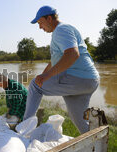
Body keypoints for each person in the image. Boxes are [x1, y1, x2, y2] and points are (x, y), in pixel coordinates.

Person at [24, 6, 99, 134]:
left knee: (35, 87)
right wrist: (42, 76)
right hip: (89, 80)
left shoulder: (61, 29)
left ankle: (24, 129)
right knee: (79, 120)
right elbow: (54, 61)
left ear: (49, 18)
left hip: (79, 77)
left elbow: (72, 54)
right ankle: (97, 146)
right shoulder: (61, 31)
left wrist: (44, 78)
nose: (40, 27)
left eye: (40, 23)